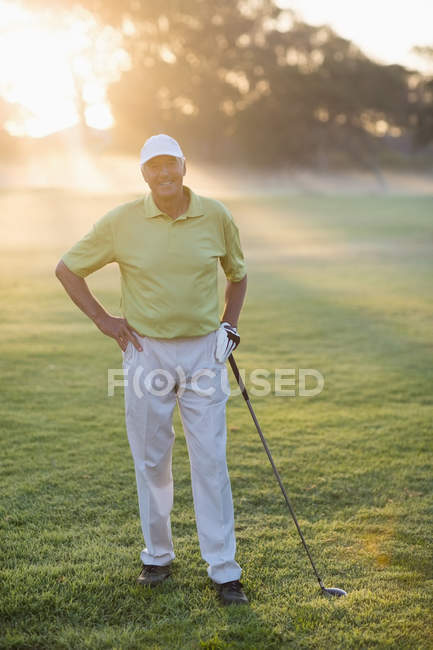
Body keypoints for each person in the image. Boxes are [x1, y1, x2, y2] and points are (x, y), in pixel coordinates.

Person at [55, 134, 248, 605]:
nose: (163, 175)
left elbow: (237, 275)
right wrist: (104, 320)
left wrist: (230, 328)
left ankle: (224, 570)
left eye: (170, 165)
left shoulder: (216, 215)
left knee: (211, 461)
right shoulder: (121, 221)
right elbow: (67, 269)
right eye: (153, 168)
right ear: (143, 173)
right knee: (152, 460)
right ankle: (157, 556)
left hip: (205, 352)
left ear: (185, 165)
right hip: (147, 353)